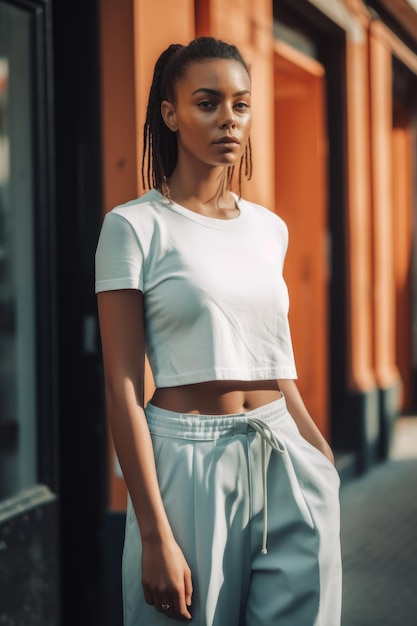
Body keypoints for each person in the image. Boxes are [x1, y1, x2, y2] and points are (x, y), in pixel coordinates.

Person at [95, 36, 342, 626]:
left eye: (240, 104)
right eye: (207, 103)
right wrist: (154, 534)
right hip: (188, 463)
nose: (228, 119)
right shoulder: (133, 228)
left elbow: (274, 356)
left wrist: (319, 457)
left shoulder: (268, 229)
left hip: (285, 453)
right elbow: (122, 386)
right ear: (170, 112)